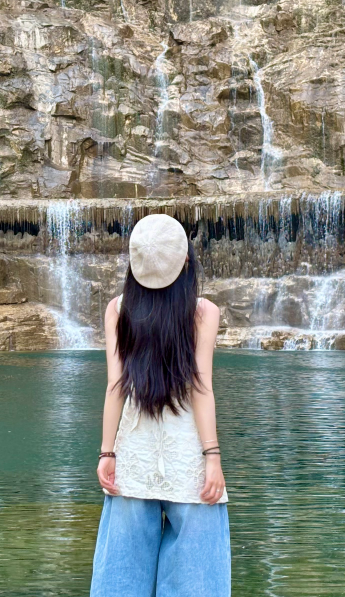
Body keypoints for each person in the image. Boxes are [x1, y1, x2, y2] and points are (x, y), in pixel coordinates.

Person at [90, 213, 230, 597]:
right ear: (186, 260)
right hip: (188, 455)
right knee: (199, 579)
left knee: (120, 577)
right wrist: (212, 458)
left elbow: (115, 386)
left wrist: (107, 453)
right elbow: (201, 388)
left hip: (132, 453)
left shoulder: (118, 309)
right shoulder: (203, 313)